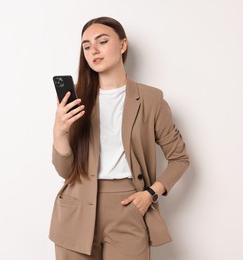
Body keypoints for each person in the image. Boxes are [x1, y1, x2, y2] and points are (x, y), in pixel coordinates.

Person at [49, 17, 190, 260]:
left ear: (123, 45)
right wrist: (59, 131)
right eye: (86, 46)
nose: (93, 50)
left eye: (102, 41)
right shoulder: (77, 100)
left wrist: (150, 194)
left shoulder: (151, 99)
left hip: (128, 207)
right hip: (77, 207)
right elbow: (65, 171)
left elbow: (179, 159)